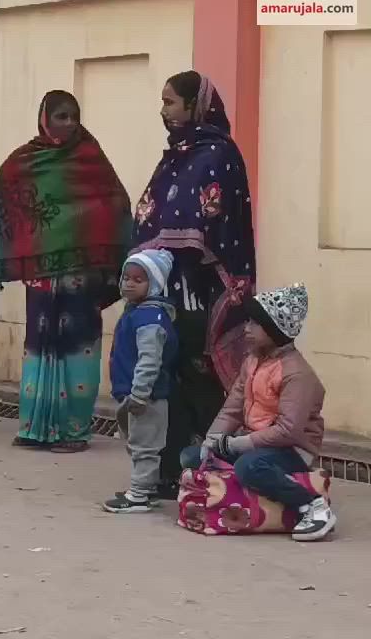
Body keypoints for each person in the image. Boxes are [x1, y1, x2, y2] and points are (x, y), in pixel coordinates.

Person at [0, 90, 133, 451]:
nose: (68, 123)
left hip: (82, 279)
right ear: (44, 118)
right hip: (41, 280)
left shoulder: (92, 160)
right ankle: (34, 427)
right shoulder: (24, 162)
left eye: (73, 116)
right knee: (39, 346)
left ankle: (74, 431)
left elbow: (115, 204)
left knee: (78, 349)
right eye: (61, 116)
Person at [135, 70, 256, 497]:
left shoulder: (219, 153)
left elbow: (214, 221)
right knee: (167, 374)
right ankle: (169, 470)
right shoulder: (176, 154)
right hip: (168, 286)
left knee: (200, 375)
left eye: (170, 101)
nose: (163, 109)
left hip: (202, 288)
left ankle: (210, 469)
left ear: (194, 105)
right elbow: (152, 212)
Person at [180, 283, 334, 541]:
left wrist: (238, 444)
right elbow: (232, 409)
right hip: (254, 443)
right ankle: (251, 500)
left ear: (275, 330)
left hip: (292, 449)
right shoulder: (252, 361)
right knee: (192, 456)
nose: (246, 329)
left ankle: (313, 506)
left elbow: (288, 431)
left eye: (255, 323)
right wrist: (211, 442)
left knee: (248, 467)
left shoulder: (297, 373)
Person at [102, 249, 179, 513]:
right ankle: (145, 489)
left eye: (138, 279)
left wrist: (139, 394)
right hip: (136, 395)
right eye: (126, 277)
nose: (129, 283)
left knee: (145, 446)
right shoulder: (137, 312)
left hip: (147, 397)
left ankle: (138, 496)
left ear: (154, 284)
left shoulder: (150, 318)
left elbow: (150, 360)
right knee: (138, 442)